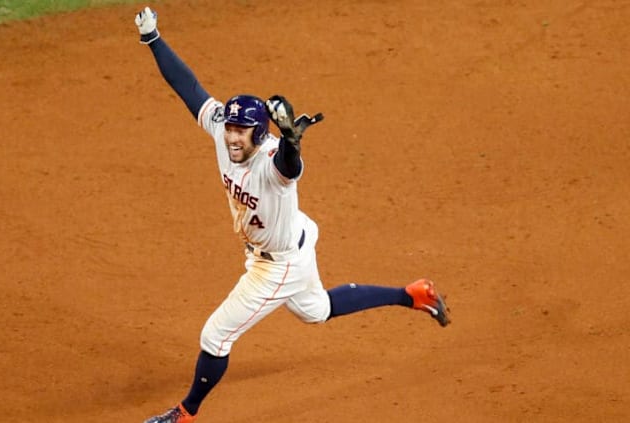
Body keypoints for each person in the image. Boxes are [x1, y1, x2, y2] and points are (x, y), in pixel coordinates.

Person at [134, 6, 450, 423]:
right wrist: (153, 39)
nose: (231, 136)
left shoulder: (272, 162)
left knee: (215, 335)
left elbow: (289, 167)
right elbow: (189, 87)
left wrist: (292, 141)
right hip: (289, 242)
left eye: (239, 131)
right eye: (229, 128)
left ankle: (185, 413)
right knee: (316, 310)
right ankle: (411, 295)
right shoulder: (223, 130)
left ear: (259, 134)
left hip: (277, 263)